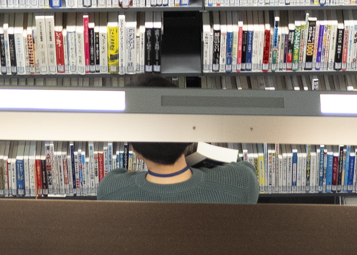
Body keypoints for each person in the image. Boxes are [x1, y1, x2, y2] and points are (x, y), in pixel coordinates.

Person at [95, 76, 259, 203]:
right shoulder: (241, 184)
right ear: (189, 137)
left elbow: (120, 178)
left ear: (135, 149)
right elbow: (245, 169)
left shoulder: (110, 190)